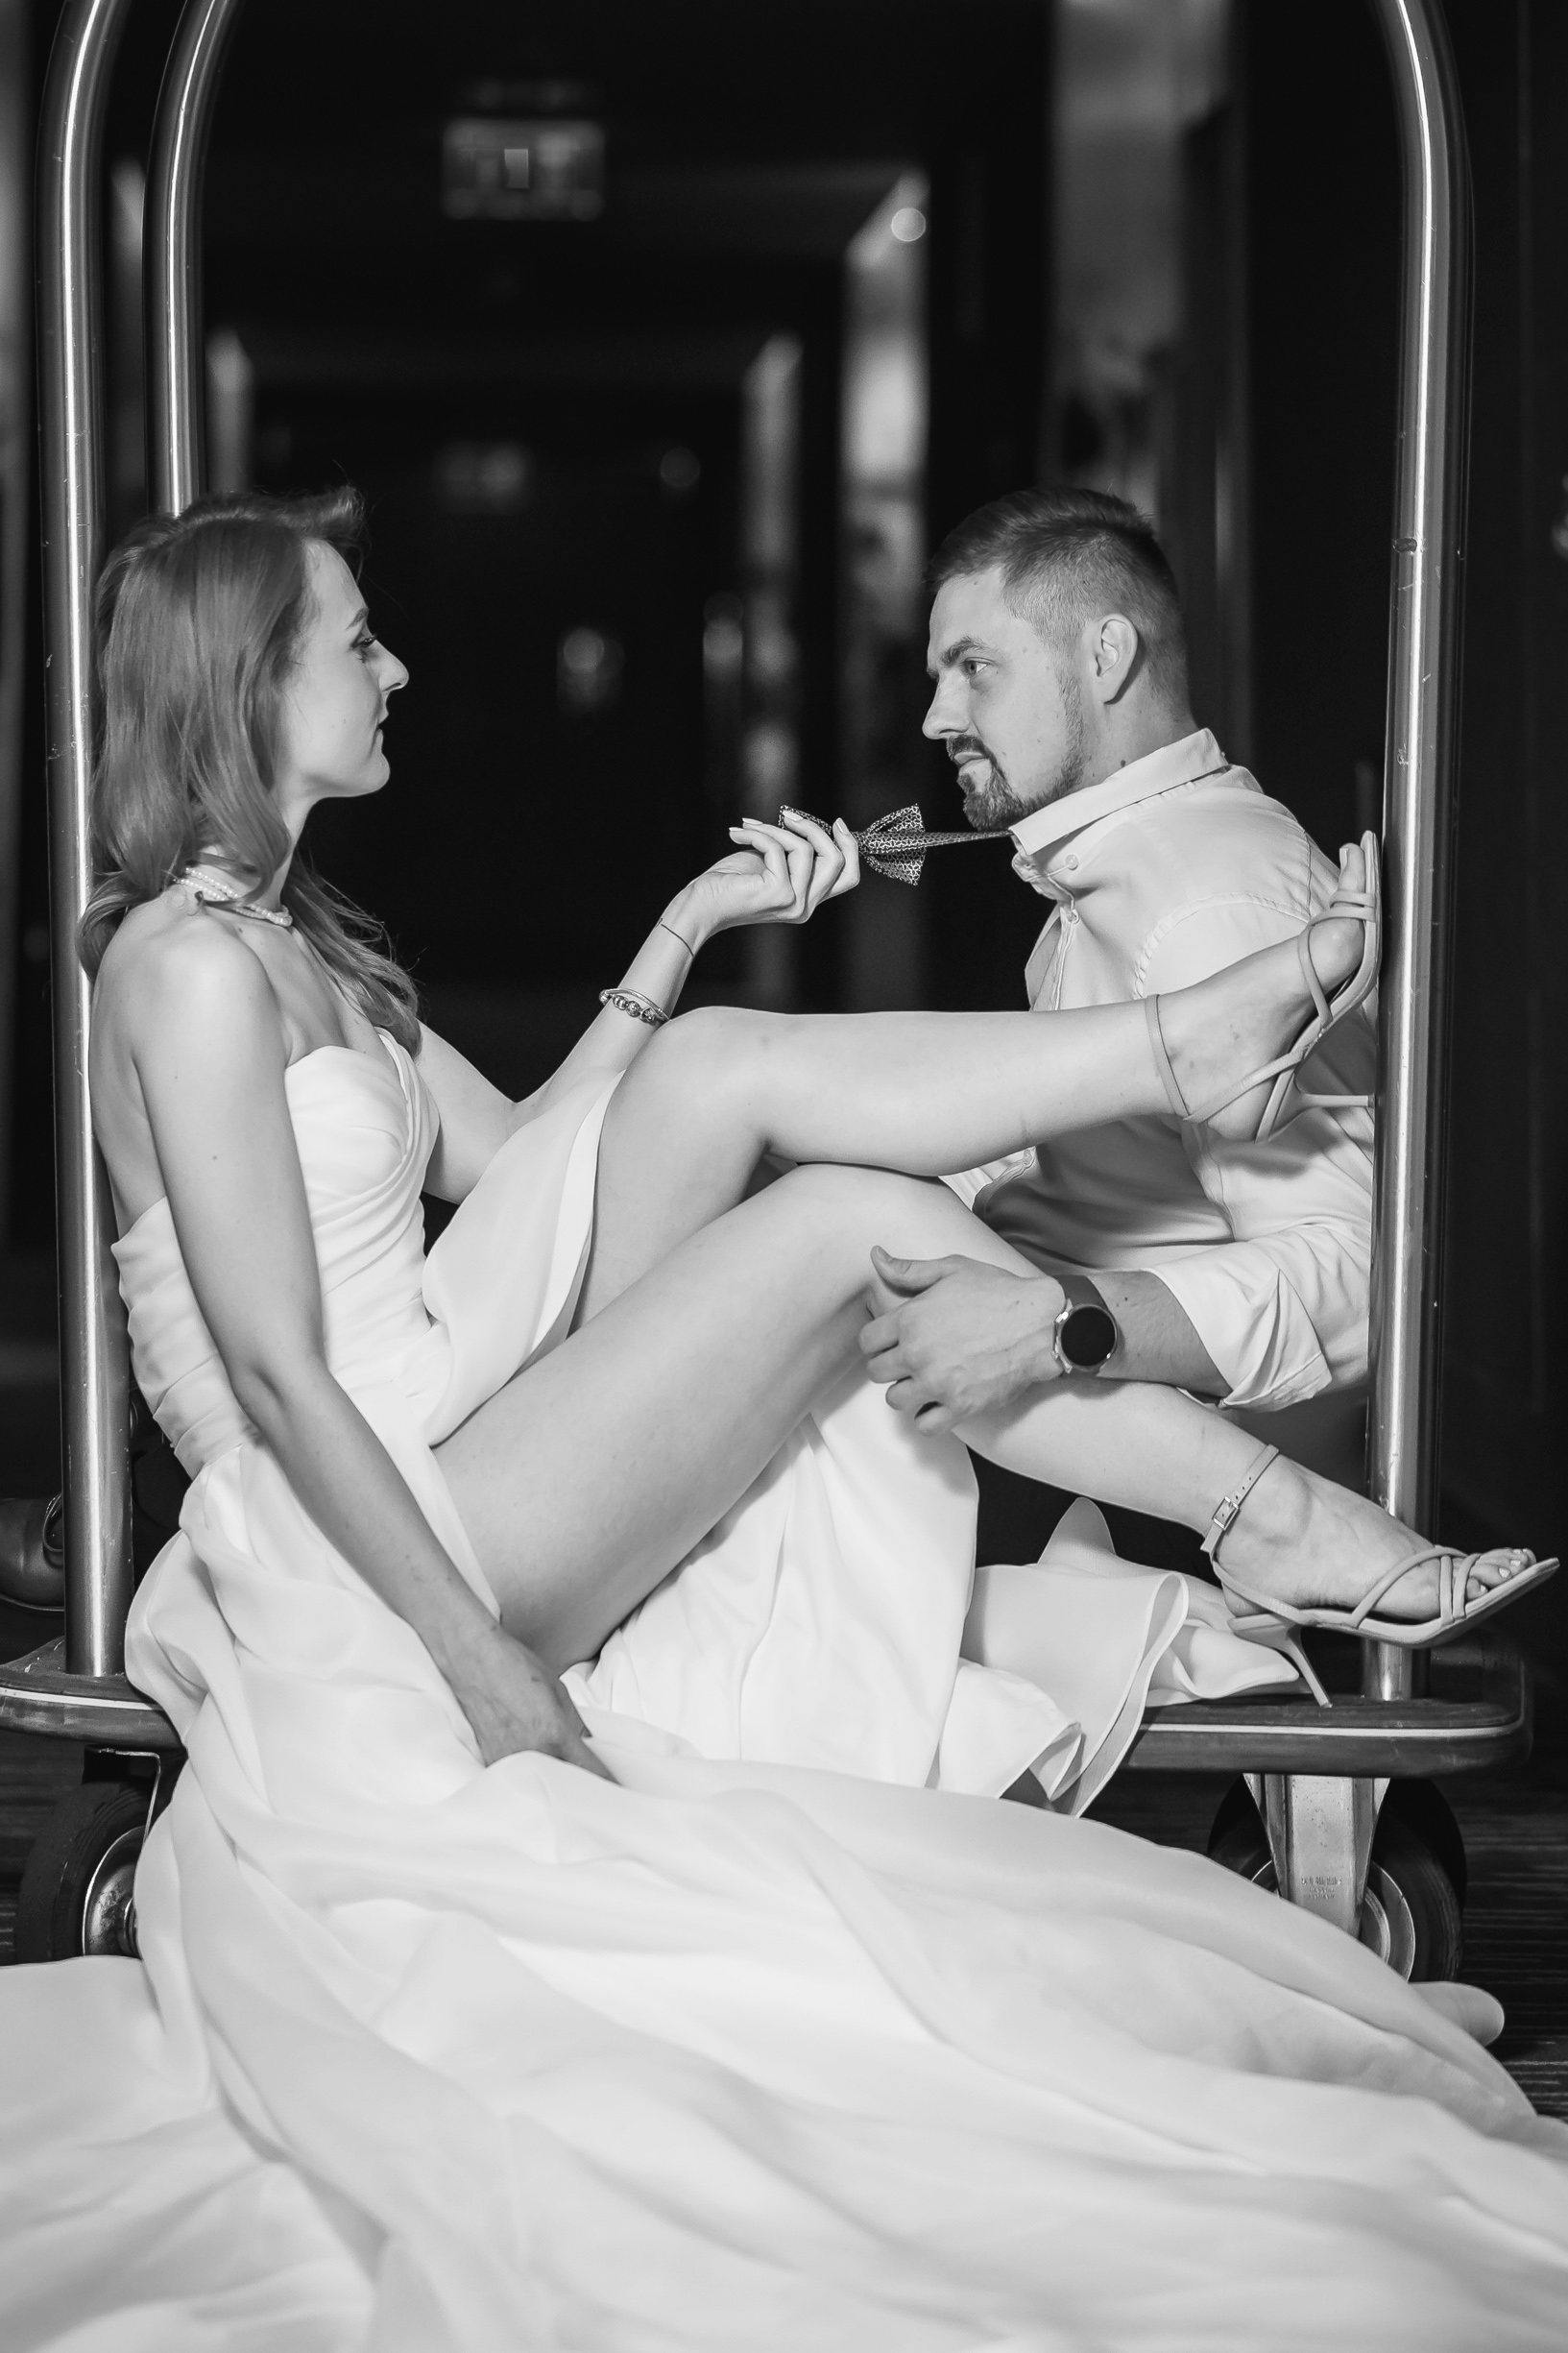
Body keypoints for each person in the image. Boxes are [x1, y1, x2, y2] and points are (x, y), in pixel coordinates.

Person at [0, 485, 1563, 2353]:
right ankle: (1240, 1334)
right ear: (249, 683)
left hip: (467, 1407)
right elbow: (273, 1371)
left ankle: (1204, 1116)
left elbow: (522, 1152)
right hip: (367, 1538)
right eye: (357, 639)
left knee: (724, 1067)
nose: (396, 667)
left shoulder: (298, 942)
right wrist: (481, 1669)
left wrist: (693, 921)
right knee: (834, 1222)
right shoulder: (179, 968)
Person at [862, 487, 1376, 1513]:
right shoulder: (1113, 868)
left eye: (973, 668)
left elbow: (1363, 1276)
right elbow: (1073, 1168)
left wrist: (1060, 1320)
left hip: (1152, 1489)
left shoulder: (1204, 902)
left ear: (1104, 656)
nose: (936, 718)